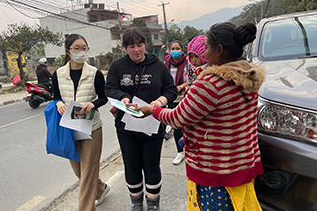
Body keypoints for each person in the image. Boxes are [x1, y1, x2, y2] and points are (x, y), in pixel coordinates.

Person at [136, 22, 265, 211]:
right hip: (242, 162)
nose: (203, 53)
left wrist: (151, 110)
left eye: (206, 47)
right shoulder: (248, 76)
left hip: (217, 169)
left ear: (219, 50)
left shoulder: (212, 83)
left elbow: (178, 118)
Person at [105, 27, 177, 211]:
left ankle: (153, 205)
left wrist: (160, 101)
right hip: (126, 127)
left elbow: (171, 89)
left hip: (152, 125)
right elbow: (109, 89)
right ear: (124, 48)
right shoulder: (118, 67)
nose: (136, 49)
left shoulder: (158, 66)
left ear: (145, 45)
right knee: (132, 166)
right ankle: (136, 204)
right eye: (131, 46)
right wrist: (123, 98)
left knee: (152, 165)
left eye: (139, 45)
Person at [51, 34, 109, 211]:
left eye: (84, 47)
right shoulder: (58, 74)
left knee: (87, 174)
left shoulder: (95, 73)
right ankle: (100, 189)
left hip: (91, 128)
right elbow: (56, 97)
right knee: (79, 171)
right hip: (69, 128)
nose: (81, 51)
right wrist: (58, 103)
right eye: (77, 48)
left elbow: (103, 98)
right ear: (68, 51)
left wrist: (93, 104)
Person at [164, 40, 188, 165]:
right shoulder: (166, 64)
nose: (175, 51)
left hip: (186, 98)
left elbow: (192, 79)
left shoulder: (188, 63)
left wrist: (181, 86)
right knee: (176, 125)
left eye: (177, 48)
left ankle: (190, 149)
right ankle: (180, 152)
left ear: (182, 50)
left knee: (188, 125)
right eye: (172, 48)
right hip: (172, 98)